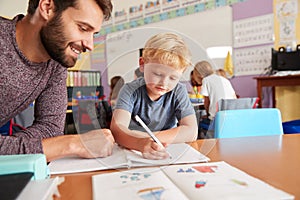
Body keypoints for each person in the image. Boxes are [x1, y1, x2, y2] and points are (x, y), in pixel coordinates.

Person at [0, 0, 115, 162]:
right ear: (47, 8)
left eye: (93, 34)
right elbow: (53, 142)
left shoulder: (55, 60)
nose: (90, 45)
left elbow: (50, 129)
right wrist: (72, 144)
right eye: (83, 28)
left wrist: (13, 148)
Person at [110, 32, 198, 160]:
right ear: (142, 64)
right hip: (135, 154)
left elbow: (192, 131)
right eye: (157, 74)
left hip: (168, 152)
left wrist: (146, 138)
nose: (164, 83)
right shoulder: (129, 90)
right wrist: (140, 143)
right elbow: (118, 130)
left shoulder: (179, 91)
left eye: (173, 78)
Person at [192, 61, 236, 137]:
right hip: (231, 116)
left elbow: (206, 102)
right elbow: (234, 97)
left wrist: (207, 114)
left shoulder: (206, 80)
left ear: (198, 74)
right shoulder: (224, 80)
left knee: (198, 121)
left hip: (217, 119)